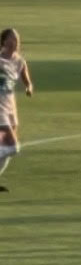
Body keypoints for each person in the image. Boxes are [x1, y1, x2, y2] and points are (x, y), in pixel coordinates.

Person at [0, 27, 34, 192]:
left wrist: (29, 88)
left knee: (4, 148)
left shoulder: (19, 61)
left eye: (18, 40)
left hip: (10, 106)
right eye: (12, 39)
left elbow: (27, 81)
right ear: (4, 41)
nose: (16, 43)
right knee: (13, 147)